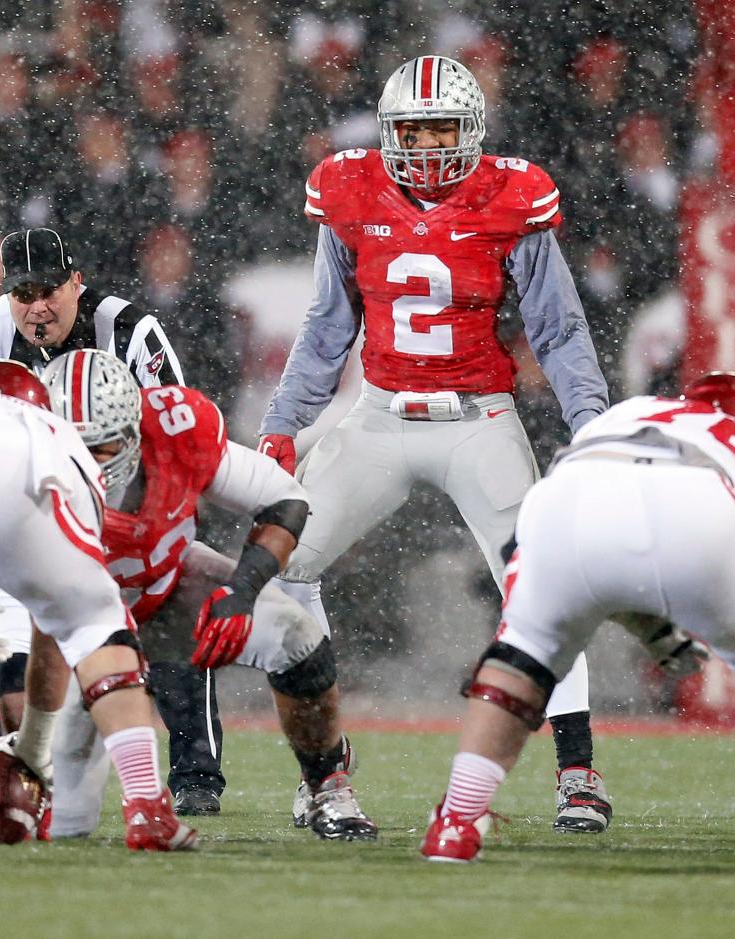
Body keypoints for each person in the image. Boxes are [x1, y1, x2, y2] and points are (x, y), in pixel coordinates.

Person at [257, 55, 612, 832]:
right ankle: (326, 775)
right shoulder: (350, 190)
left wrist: (593, 425)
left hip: (478, 418)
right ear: (386, 131)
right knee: (284, 570)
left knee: (542, 578)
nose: (422, 145)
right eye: (409, 130)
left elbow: (558, 327)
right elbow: (327, 325)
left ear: (472, 131)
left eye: (440, 128)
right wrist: (283, 423)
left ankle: (578, 771)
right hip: (379, 415)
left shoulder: (509, 196)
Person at [421, 372, 735, 872]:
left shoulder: (632, 412)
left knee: (520, 660)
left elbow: (624, 531)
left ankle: (455, 822)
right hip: (704, 507)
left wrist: (643, 630)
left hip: (568, 505)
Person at [36, 350, 375, 842]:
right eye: (75, 449)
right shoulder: (17, 480)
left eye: (103, 448)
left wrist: (242, 590)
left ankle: (327, 786)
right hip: (74, 625)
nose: (89, 467)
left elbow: (285, 499)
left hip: (167, 585)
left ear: (134, 429)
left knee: (299, 639)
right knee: (64, 823)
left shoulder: (176, 428)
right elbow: (20, 634)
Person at [0, 227, 224, 817]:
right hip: (20, 511)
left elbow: (172, 435)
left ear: (77, 281)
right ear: (6, 295)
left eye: (50, 289)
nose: (38, 307)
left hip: (124, 501)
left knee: (171, 607)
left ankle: (197, 774)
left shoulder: (130, 330)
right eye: (23, 294)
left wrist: (150, 528)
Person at [0, 360, 196, 851]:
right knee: (101, 630)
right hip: (28, 497)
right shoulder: (54, 438)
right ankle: (147, 806)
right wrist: (36, 749)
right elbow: (52, 630)